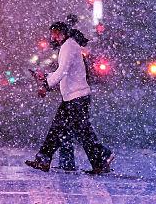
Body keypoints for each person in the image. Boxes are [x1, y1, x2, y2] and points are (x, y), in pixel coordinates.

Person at [26, 22, 114, 175]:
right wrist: (46, 76)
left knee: (71, 131)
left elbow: (62, 71)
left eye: (56, 34)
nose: (53, 37)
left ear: (64, 34)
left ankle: (102, 157)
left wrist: (46, 85)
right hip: (74, 97)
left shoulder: (68, 46)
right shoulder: (69, 45)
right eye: (52, 34)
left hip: (76, 98)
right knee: (69, 130)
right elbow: (64, 72)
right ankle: (100, 160)